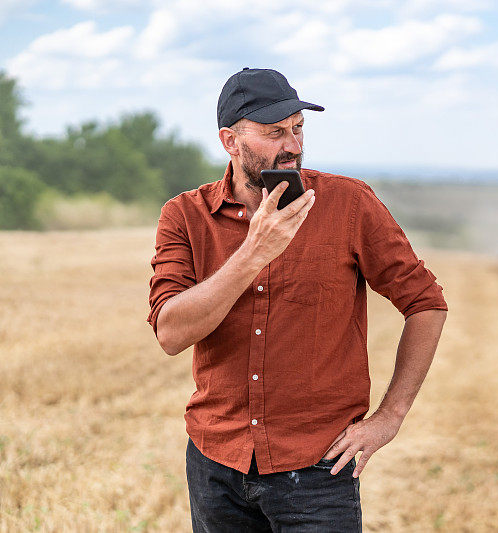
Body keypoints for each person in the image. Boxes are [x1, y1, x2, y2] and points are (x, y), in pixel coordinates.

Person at [145, 67, 449, 532]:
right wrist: (254, 252)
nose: (293, 145)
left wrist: (390, 417)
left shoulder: (349, 204)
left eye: (297, 129)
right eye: (274, 133)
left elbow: (426, 303)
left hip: (318, 467)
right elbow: (170, 333)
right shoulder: (185, 216)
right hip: (215, 464)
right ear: (230, 141)